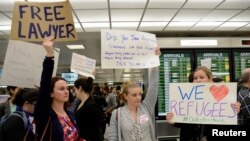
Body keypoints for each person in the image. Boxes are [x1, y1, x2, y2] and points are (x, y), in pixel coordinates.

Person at [166, 66, 241, 141]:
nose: (198, 80)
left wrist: (233, 112)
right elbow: (183, 123)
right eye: (195, 78)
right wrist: (173, 121)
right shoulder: (186, 98)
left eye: (201, 77)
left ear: (209, 79)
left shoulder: (223, 98)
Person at [34, 36, 82, 141]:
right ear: (51, 93)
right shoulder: (45, 115)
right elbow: (44, 85)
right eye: (61, 89)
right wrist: (50, 56)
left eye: (67, 88)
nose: (66, 91)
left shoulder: (70, 114)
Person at [108, 47, 161, 141]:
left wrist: (155, 62)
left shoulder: (146, 107)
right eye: (134, 95)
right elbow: (113, 137)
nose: (138, 97)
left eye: (140, 94)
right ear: (125, 96)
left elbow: (154, 86)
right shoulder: (117, 114)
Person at [74, 77, 103, 141]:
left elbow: (96, 131)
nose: (75, 92)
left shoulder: (92, 106)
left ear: (80, 88)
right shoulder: (80, 103)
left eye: (75, 89)